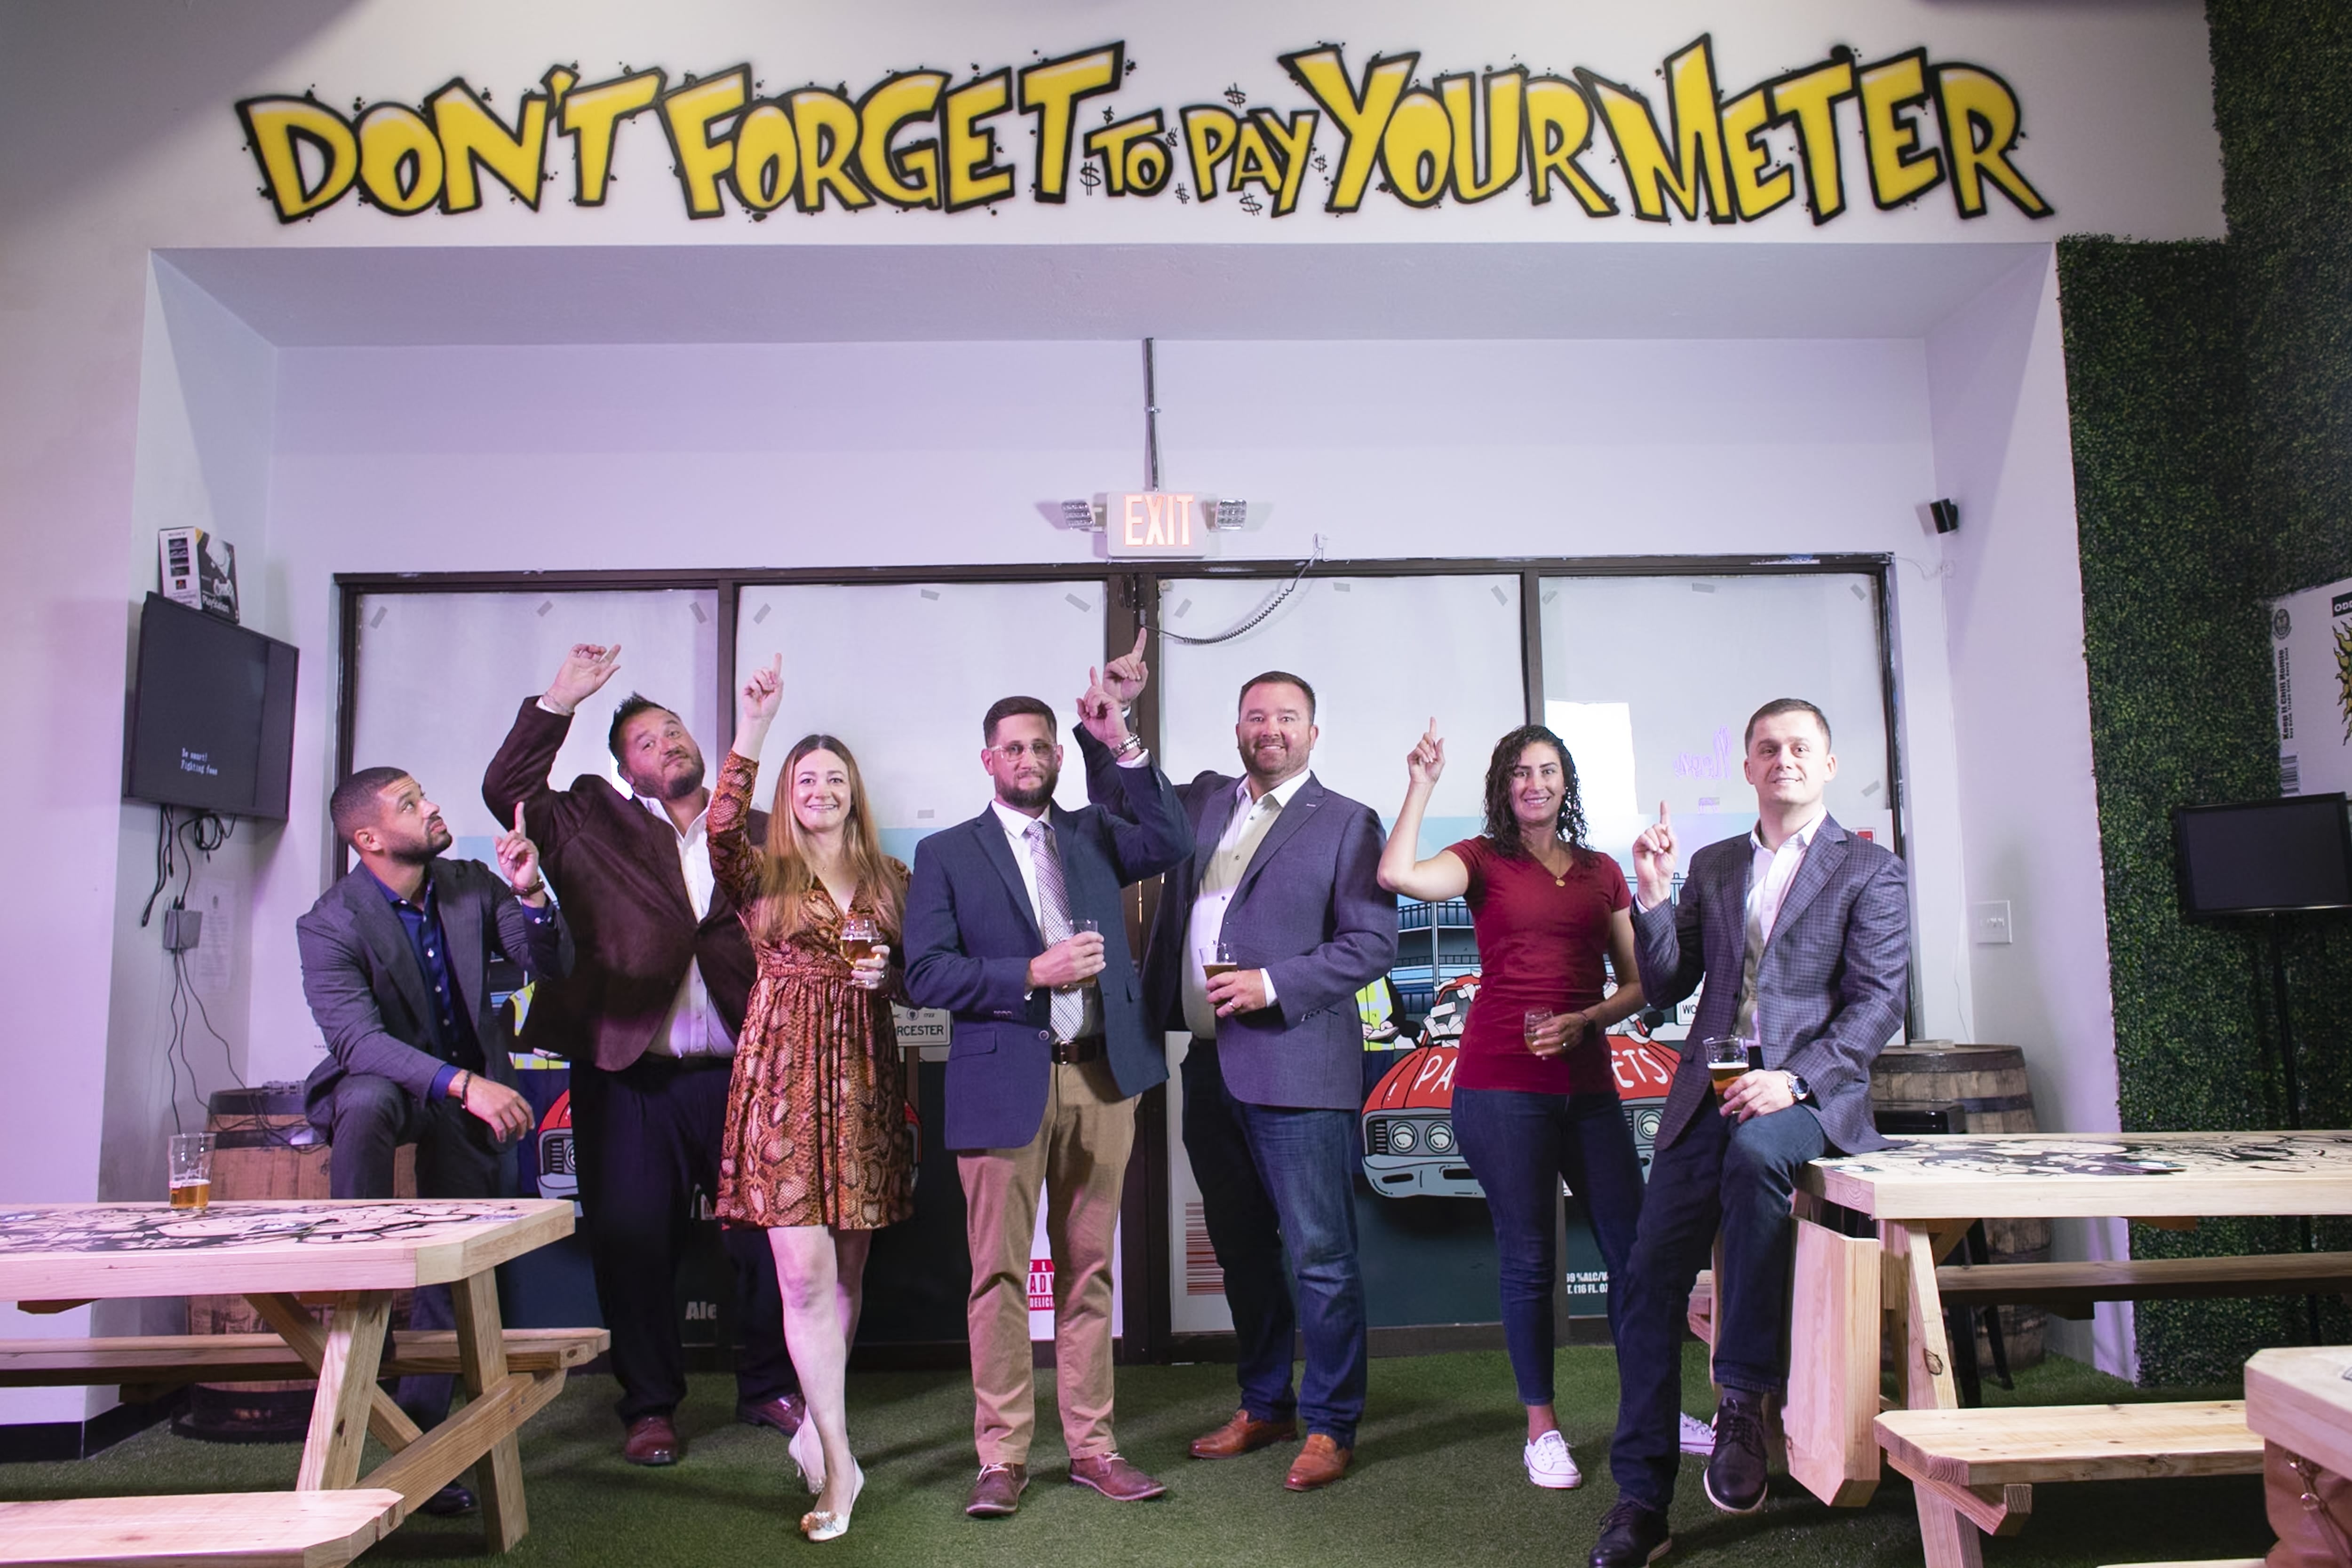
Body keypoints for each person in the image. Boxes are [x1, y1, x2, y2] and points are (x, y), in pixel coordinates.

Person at [1590, 698, 1910, 1568]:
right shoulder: (1717, 861)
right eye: (1768, 748)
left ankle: (1742, 1405)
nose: (1784, 760)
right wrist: (1653, 896)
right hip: (1713, 1087)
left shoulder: (1870, 869)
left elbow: (1881, 1003)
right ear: (1747, 767)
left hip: (1810, 1092)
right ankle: (1641, 1498)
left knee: (1763, 1156)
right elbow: (1664, 984)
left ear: (1829, 764)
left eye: (1800, 746)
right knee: (1648, 1274)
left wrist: (1796, 1078)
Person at [1083, 649, 1394, 1494]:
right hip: (1209, 1067)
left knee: (1321, 1255)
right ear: (1237, 728)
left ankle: (1332, 1422)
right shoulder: (1203, 800)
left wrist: (1272, 983)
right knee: (1242, 1248)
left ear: (1313, 732)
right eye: (1257, 716)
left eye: (1287, 717)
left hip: (1298, 1067)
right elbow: (1125, 811)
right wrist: (1114, 728)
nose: (1271, 730)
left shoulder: (1348, 821)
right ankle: (1266, 1402)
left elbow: (1372, 942)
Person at [483, 644, 800, 1467]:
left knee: (769, 1239)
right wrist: (562, 696)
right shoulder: (592, 818)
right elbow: (508, 790)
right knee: (633, 1243)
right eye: (648, 742)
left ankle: (768, 1384)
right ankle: (651, 1405)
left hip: (743, 1071)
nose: (669, 745)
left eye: (676, 731)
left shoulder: (763, 830)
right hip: (629, 1074)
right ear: (626, 771)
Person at [903, 666, 1192, 1519]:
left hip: (1104, 1076)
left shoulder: (1097, 829)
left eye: (1042, 744)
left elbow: (1170, 838)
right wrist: (1031, 971)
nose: (1029, 758)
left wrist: (1123, 737)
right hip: (1001, 1080)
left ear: (1059, 752)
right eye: (1014, 747)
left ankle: (1094, 1448)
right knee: (995, 1274)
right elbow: (924, 972)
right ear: (987, 759)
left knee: (1089, 1269)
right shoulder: (946, 852)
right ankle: (1001, 1456)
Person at [1378, 721, 1647, 1492]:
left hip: (1590, 1085)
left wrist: (1588, 1018)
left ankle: (1648, 1410)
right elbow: (1397, 873)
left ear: (1567, 784)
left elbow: (1634, 983)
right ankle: (1543, 1427)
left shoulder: (1602, 872)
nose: (1535, 782)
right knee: (1530, 1256)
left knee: (1634, 1252)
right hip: (1500, 1084)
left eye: (1548, 770)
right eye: (1521, 772)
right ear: (1504, 785)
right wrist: (1423, 781)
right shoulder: (1481, 860)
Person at [297, 768, 568, 1516]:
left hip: (466, 1099)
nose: (433, 806)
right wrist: (462, 1083)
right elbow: (357, 1038)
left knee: (453, 1261)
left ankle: (423, 1442)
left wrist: (532, 892)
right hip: (396, 1088)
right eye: (410, 803)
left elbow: (551, 965)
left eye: (425, 795)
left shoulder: (472, 883)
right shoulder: (330, 922)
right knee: (365, 1095)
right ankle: (357, 1271)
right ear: (370, 838)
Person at [707, 656, 913, 1542]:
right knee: (802, 1272)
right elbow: (719, 825)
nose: (821, 788)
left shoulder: (895, 878)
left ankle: (822, 1430)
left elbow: (927, 976)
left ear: (854, 793)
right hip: (784, 1081)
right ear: (786, 794)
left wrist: (892, 974)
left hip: (866, 1077)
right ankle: (837, 1459)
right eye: (807, 778)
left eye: (835, 777)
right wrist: (754, 731)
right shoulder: (758, 872)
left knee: (849, 1275)